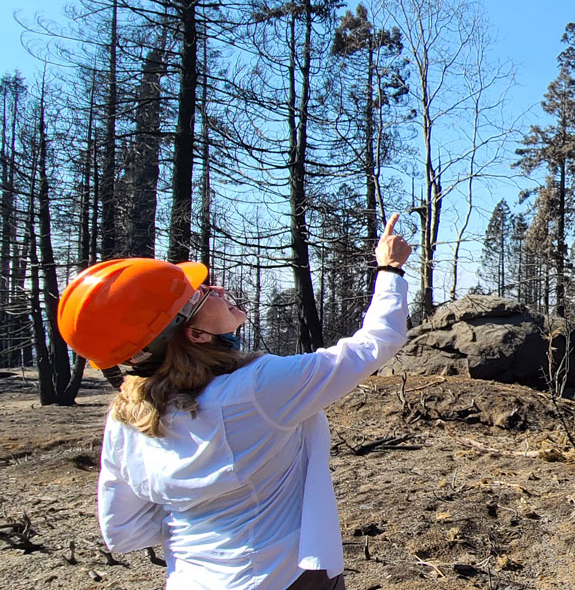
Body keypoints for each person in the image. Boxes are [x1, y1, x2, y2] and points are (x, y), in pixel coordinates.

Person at [57, 214, 412, 590]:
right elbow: (376, 343)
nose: (217, 289)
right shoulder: (257, 389)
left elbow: (124, 529)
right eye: (196, 295)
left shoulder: (127, 415)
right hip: (285, 577)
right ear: (195, 333)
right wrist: (389, 269)